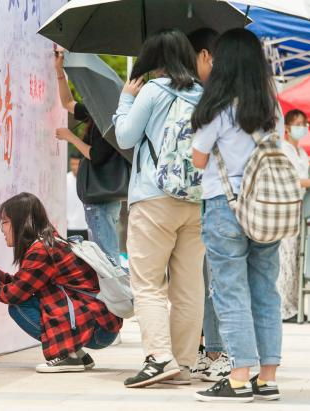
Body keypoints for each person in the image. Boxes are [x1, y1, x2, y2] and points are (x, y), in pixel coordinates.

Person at [192, 28, 284, 402]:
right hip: (266, 208)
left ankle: (238, 378)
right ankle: (267, 378)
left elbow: (199, 159)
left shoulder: (217, 107)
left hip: (225, 206)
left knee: (230, 290)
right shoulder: (271, 107)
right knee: (265, 291)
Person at [112, 29, 205, 388]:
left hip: (154, 199)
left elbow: (125, 137)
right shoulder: (205, 94)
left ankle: (159, 358)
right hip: (196, 202)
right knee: (189, 287)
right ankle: (184, 363)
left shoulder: (153, 90)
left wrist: (125, 99)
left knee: (148, 283)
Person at [0, 192, 122, 373]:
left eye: (4, 222)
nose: (2, 229)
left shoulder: (41, 249)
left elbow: (14, 294)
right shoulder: (47, 241)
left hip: (98, 328)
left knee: (18, 307)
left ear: (21, 221)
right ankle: (76, 355)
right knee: (25, 300)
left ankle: (68, 356)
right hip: (99, 323)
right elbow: (22, 284)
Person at [187, 28, 231, 383]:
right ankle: (211, 348)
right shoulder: (234, 94)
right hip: (216, 201)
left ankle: (220, 352)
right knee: (206, 280)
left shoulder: (216, 99)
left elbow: (199, 157)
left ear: (204, 56)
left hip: (218, 202)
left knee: (216, 281)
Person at [54, 50, 123, 263]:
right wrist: (59, 72)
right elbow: (67, 103)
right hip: (104, 196)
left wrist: (70, 137)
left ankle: (112, 287)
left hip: (100, 197)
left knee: (107, 257)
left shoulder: (109, 119)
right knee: (105, 253)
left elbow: (96, 155)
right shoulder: (97, 111)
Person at [278, 109, 310, 322]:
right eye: (298, 123)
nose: (302, 127)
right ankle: (282, 308)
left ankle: (294, 306)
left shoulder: (300, 152)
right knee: (285, 258)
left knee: (296, 258)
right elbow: (293, 181)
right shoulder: (283, 150)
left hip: (299, 208)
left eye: (304, 123)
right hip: (285, 207)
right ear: (286, 127)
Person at [66, 152, 88, 239]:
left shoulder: (87, 179)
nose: (74, 167)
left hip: (86, 226)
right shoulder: (65, 179)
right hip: (69, 226)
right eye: (72, 164)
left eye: (77, 164)